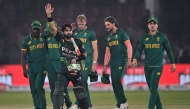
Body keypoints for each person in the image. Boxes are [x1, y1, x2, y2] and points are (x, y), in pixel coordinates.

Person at [45, 3, 90, 109]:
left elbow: (84, 55)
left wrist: (76, 58)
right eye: (67, 31)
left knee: (80, 92)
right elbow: (52, 28)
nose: (69, 32)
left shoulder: (77, 42)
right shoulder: (60, 39)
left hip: (75, 70)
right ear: (63, 32)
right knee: (58, 90)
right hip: (63, 70)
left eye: (70, 30)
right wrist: (49, 16)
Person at [132, 17, 176, 109]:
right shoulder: (144, 37)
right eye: (150, 23)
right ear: (148, 25)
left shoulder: (162, 37)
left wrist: (173, 63)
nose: (152, 25)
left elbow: (169, 50)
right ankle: (159, 107)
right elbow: (139, 49)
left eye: (154, 23)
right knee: (153, 89)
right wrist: (135, 58)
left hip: (157, 66)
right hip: (147, 67)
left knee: (153, 89)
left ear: (157, 25)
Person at [102, 16, 132, 109]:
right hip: (113, 62)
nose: (106, 26)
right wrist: (105, 65)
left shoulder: (121, 33)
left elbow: (129, 46)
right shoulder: (108, 37)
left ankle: (123, 102)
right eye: (105, 25)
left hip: (121, 60)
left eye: (108, 24)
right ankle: (120, 104)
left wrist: (129, 59)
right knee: (114, 83)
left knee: (116, 80)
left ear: (114, 23)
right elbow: (107, 53)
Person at [44, 21, 73, 109]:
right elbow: (45, 52)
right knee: (53, 87)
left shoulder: (61, 37)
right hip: (50, 64)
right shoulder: (47, 38)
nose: (50, 31)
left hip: (60, 62)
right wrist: (46, 66)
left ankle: (69, 105)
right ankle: (57, 106)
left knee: (62, 86)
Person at [72, 14, 98, 109]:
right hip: (75, 60)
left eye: (82, 24)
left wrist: (94, 63)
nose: (81, 26)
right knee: (78, 82)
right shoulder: (74, 32)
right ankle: (88, 105)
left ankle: (78, 103)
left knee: (83, 80)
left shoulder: (91, 32)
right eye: (79, 24)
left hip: (87, 60)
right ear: (77, 23)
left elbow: (95, 49)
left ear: (86, 22)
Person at [21, 20, 47, 109]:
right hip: (31, 67)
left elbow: (54, 36)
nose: (36, 31)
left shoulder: (45, 38)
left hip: (42, 66)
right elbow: (23, 56)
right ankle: (37, 107)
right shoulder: (26, 41)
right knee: (33, 90)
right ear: (31, 29)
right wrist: (24, 69)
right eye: (34, 29)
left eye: (37, 29)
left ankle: (43, 107)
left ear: (40, 29)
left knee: (38, 87)